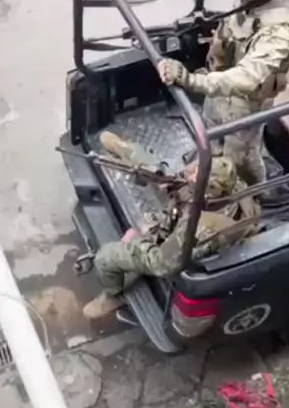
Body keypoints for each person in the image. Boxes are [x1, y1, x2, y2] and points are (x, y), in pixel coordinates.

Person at [158, 0, 289, 188]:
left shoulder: (281, 31)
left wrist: (190, 80)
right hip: (220, 85)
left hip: (245, 102)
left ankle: (250, 195)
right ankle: (208, 163)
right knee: (211, 131)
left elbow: (247, 78)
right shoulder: (254, 0)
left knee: (240, 160)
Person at [82, 134, 260, 320]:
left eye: (196, 176)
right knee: (157, 172)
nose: (191, 173)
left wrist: (137, 243)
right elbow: (180, 181)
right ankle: (124, 148)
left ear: (205, 192)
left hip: (181, 249)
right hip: (191, 213)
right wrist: (165, 179)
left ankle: (113, 295)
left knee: (105, 258)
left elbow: (163, 263)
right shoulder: (229, 184)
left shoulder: (198, 228)